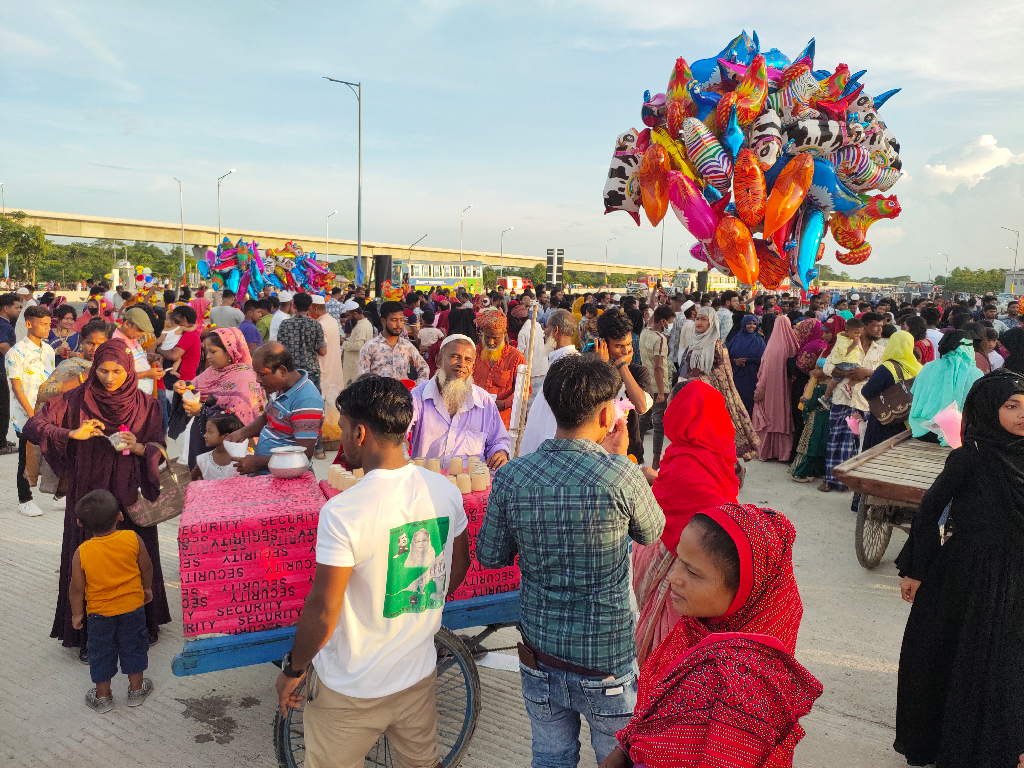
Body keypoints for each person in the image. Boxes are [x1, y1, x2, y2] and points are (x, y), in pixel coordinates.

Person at [478, 354, 665, 768]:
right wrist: (618, 459)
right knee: (614, 758)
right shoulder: (621, 474)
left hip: (540, 652)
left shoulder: (512, 477)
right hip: (606, 661)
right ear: (605, 414)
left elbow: (489, 556)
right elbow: (652, 532)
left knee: (550, 756)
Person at [275, 376, 470, 768]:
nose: (343, 438)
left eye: (344, 428)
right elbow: (458, 565)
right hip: (417, 675)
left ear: (360, 432)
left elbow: (324, 612)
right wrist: (420, 609)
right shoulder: (444, 490)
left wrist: (293, 669)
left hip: (350, 688)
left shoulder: (345, 511)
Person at [606, 503, 822, 768]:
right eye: (679, 561)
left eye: (693, 572)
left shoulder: (744, 686)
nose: (673, 577)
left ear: (745, 591)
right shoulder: (698, 627)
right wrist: (626, 747)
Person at [893, 370, 1024, 768]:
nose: (1022, 415)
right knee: (959, 655)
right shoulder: (971, 456)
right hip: (969, 572)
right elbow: (930, 509)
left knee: (1005, 662)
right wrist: (917, 568)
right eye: (1011, 406)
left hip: (1016, 574)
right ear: (988, 408)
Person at [24, 340, 171, 656]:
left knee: (136, 559)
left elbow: (159, 449)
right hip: (89, 496)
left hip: (131, 496)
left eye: (117, 370)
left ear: (129, 369)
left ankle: (142, 624)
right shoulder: (76, 399)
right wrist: (70, 434)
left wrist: (141, 446)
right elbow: (33, 426)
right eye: (102, 370)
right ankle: (88, 633)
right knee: (88, 562)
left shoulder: (148, 405)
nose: (109, 377)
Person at [633, 380, 739, 666]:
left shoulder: (682, 458)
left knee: (667, 640)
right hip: (707, 565)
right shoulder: (717, 454)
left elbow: (667, 509)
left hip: (682, 563)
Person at [69, 489, 155, 713]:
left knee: (101, 652)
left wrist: (77, 613)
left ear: (80, 523)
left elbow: (77, 588)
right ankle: (136, 691)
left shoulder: (82, 552)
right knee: (134, 646)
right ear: (119, 515)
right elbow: (146, 566)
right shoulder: (132, 538)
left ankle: (103, 697)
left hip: (99, 614)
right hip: (133, 607)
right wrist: (146, 588)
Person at [408, 335, 510, 469]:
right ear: (439, 360)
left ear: (473, 367)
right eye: (455, 357)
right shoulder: (418, 397)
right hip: (427, 482)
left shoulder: (484, 401)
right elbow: (399, 435)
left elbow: (498, 441)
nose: (461, 364)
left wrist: (500, 452)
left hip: (470, 484)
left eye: (468, 360)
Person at [172, 327, 267, 468]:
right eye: (206, 351)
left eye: (213, 351)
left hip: (227, 448)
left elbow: (238, 421)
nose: (208, 357)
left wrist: (201, 410)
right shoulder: (212, 372)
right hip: (202, 438)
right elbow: (194, 387)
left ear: (230, 351)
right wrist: (183, 387)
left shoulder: (245, 379)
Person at [224, 343, 324, 475]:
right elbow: (267, 417)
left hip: (286, 479)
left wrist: (258, 462)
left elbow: (303, 453)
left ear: (282, 371)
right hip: (268, 474)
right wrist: (241, 433)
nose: (258, 380)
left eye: (262, 375)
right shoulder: (280, 388)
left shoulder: (306, 400)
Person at [679, 307, 759, 462]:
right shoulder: (693, 343)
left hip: (711, 397)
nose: (699, 322)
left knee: (713, 437)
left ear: (712, 322)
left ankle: (733, 471)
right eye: (698, 319)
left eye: (704, 319)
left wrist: (701, 381)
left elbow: (723, 374)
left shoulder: (717, 345)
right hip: (694, 396)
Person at [820, 313, 886, 492]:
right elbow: (827, 368)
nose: (880, 329)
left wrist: (866, 372)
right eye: (875, 326)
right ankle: (830, 479)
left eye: (881, 326)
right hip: (842, 398)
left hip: (863, 402)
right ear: (863, 328)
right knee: (835, 440)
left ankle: (849, 481)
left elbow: (884, 375)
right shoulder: (843, 344)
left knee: (855, 442)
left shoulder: (880, 351)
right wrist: (846, 373)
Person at [7, 305, 56, 516]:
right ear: (29, 324)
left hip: (47, 411)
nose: (47, 328)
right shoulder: (15, 352)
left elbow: (53, 381)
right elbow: (16, 387)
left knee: (51, 450)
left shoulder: (49, 350)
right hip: (25, 414)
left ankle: (58, 491)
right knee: (25, 457)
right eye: (43, 324)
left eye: (49, 324)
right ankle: (24, 499)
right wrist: (32, 414)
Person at [518, 309, 579, 456]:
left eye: (547, 327)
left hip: (551, 444)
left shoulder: (568, 364)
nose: (545, 332)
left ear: (556, 330)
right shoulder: (560, 360)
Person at [908, 331, 984, 445]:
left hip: (922, 431)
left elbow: (915, 393)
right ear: (966, 349)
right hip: (959, 435)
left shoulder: (928, 367)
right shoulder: (974, 373)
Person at [753, 315, 798, 461]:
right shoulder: (794, 344)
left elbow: (765, 371)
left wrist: (760, 389)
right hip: (787, 389)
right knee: (784, 417)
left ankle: (767, 452)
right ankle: (783, 453)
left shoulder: (772, 347)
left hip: (770, 390)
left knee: (769, 418)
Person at [473, 310, 526, 430]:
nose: (490, 342)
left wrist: (504, 404)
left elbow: (524, 391)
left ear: (504, 334)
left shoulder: (516, 358)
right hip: (476, 418)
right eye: (487, 337)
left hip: (502, 422)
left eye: (495, 338)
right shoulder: (474, 353)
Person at [358, 301, 429, 382]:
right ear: (383, 321)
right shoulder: (370, 347)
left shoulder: (407, 346)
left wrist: (416, 386)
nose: (398, 325)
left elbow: (423, 367)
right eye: (394, 320)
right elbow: (362, 378)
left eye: (401, 320)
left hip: (403, 393)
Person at [278, 292, 328, 388]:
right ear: (309, 307)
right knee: (312, 400)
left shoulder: (284, 324)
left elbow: (280, 349)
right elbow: (322, 351)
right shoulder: (315, 324)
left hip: (290, 371)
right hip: (311, 371)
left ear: (294, 305)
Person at [113, 307, 162, 396]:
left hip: (140, 395)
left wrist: (149, 357)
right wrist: (146, 374)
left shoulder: (132, 338)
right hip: (130, 397)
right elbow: (117, 375)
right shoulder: (117, 343)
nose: (143, 333)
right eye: (140, 330)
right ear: (127, 324)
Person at [820, 317, 865, 408]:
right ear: (847, 331)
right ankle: (847, 386)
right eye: (856, 333)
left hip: (841, 363)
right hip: (845, 362)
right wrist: (854, 345)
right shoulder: (844, 341)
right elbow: (844, 353)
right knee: (861, 373)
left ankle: (826, 397)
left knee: (835, 380)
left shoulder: (848, 339)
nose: (858, 335)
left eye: (860, 333)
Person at [727, 314, 765, 416]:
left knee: (749, 402)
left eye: (754, 323)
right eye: (749, 323)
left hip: (752, 376)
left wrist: (748, 361)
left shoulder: (759, 340)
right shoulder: (735, 339)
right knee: (737, 400)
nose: (751, 326)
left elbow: (763, 359)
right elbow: (727, 357)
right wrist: (735, 361)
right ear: (744, 324)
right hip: (737, 375)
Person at [191, 413, 244, 481]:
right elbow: (191, 480)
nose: (205, 435)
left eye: (210, 432)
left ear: (226, 437)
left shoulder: (244, 459)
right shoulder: (204, 460)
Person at [341, 299, 373, 386]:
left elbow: (358, 346)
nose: (347, 318)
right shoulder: (364, 323)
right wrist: (346, 340)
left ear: (355, 313)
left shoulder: (361, 327)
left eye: (348, 315)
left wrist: (343, 343)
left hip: (354, 365)